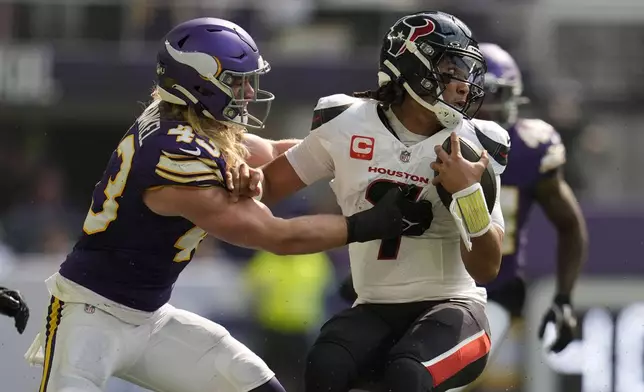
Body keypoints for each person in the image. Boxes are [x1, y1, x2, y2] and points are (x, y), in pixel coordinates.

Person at [23, 17, 433, 392]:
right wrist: (371, 223)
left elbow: (278, 153)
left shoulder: (189, 119)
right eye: (238, 81)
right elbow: (277, 235)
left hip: (152, 317)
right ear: (200, 83)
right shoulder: (174, 155)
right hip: (89, 317)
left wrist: (372, 158)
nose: (249, 92)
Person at [230, 11, 511, 392]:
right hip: (374, 306)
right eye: (450, 67)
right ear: (412, 64)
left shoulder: (475, 145)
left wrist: (467, 195)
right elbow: (269, 187)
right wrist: (245, 179)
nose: (464, 85)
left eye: (465, 71)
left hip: (454, 306)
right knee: (325, 365)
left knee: (407, 374)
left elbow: (487, 268)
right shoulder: (346, 124)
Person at [475, 42, 587, 360]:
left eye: (494, 96)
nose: (484, 109)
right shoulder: (429, 141)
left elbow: (569, 225)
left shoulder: (529, 149)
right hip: (423, 284)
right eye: (475, 96)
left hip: (490, 292)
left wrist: (564, 297)